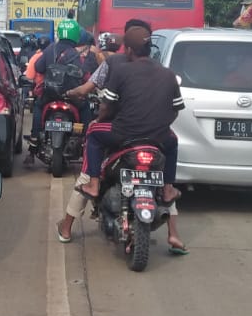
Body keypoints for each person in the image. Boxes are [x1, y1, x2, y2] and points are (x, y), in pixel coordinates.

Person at [63, 20, 187, 253]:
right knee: (170, 152)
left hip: (121, 134)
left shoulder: (115, 66)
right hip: (157, 138)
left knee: (92, 135)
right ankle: (172, 215)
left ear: (127, 48)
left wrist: (99, 117)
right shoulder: (167, 73)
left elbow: (103, 104)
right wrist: (161, 124)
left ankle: (88, 192)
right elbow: (176, 108)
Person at [25, 19, 83, 146]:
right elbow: (82, 74)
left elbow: (39, 68)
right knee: (84, 108)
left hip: (50, 93)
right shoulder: (76, 53)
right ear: (76, 35)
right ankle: (85, 138)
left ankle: (35, 136)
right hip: (71, 95)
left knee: (38, 106)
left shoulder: (50, 49)